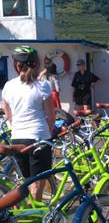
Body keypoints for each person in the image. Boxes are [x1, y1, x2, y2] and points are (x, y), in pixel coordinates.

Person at [2, 46, 56, 200]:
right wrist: (49, 133)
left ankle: (29, 212)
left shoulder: (8, 86)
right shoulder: (43, 85)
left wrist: (17, 128)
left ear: (17, 66)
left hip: (18, 138)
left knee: (27, 180)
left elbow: (9, 116)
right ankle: (36, 214)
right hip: (39, 137)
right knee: (38, 182)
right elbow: (51, 117)